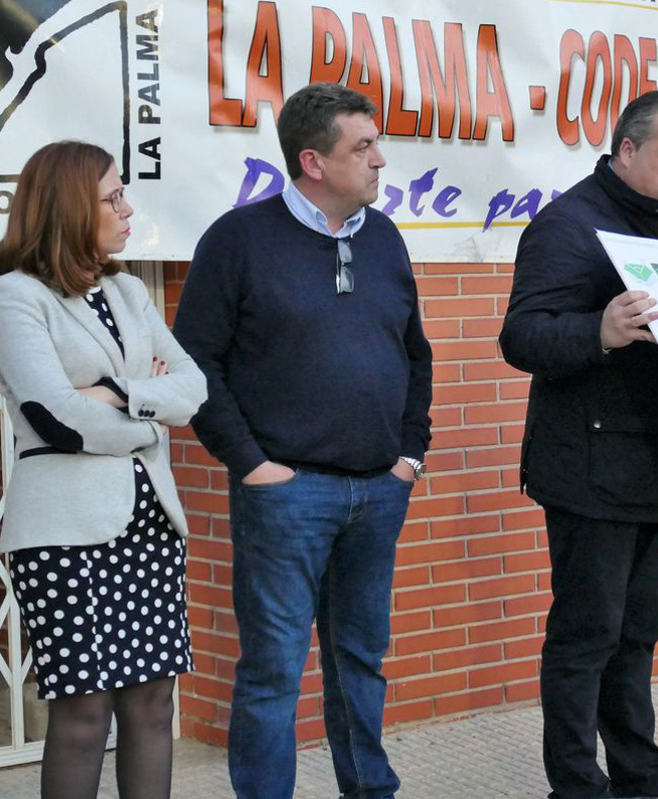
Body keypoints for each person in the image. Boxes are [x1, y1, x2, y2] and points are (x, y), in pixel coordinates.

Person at [172, 82, 432, 799]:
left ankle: (368, 789)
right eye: (365, 146)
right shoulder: (239, 239)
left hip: (379, 489)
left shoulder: (382, 236)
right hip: (287, 494)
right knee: (273, 669)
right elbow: (196, 361)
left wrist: (410, 454)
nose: (382, 159)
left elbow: (415, 353)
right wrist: (250, 463)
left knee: (361, 659)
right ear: (313, 162)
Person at [499, 90, 658, 799]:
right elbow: (522, 335)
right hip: (588, 470)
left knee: (639, 630)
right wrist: (597, 330)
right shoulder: (567, 225)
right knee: (587, 634)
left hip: (653, 464)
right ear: (627, 151)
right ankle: (575, 783)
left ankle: (640, 776)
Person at [0, 141, 206, 799]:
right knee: (84, 717)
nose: (127, 208)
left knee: (152, 706)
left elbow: (192, 389)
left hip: (149, 524)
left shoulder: (131, 289)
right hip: (63, 535)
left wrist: (113, 391)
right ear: (70, 207)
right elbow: (53, 417)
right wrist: (145, 402)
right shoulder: (13, 297)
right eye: (112, 196)